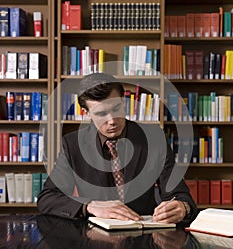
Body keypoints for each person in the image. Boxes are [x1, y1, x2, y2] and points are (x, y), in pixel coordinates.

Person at [37, 73, 198, 226]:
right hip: (95, 239)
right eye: (101, 113)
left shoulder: (155, 139)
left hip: (145, 236)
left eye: (116, 109)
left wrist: (182, 208)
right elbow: (47, 197)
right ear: (86, 113)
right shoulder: (72, 145)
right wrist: (90, 206)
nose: (112, 121)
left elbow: (182, 196)